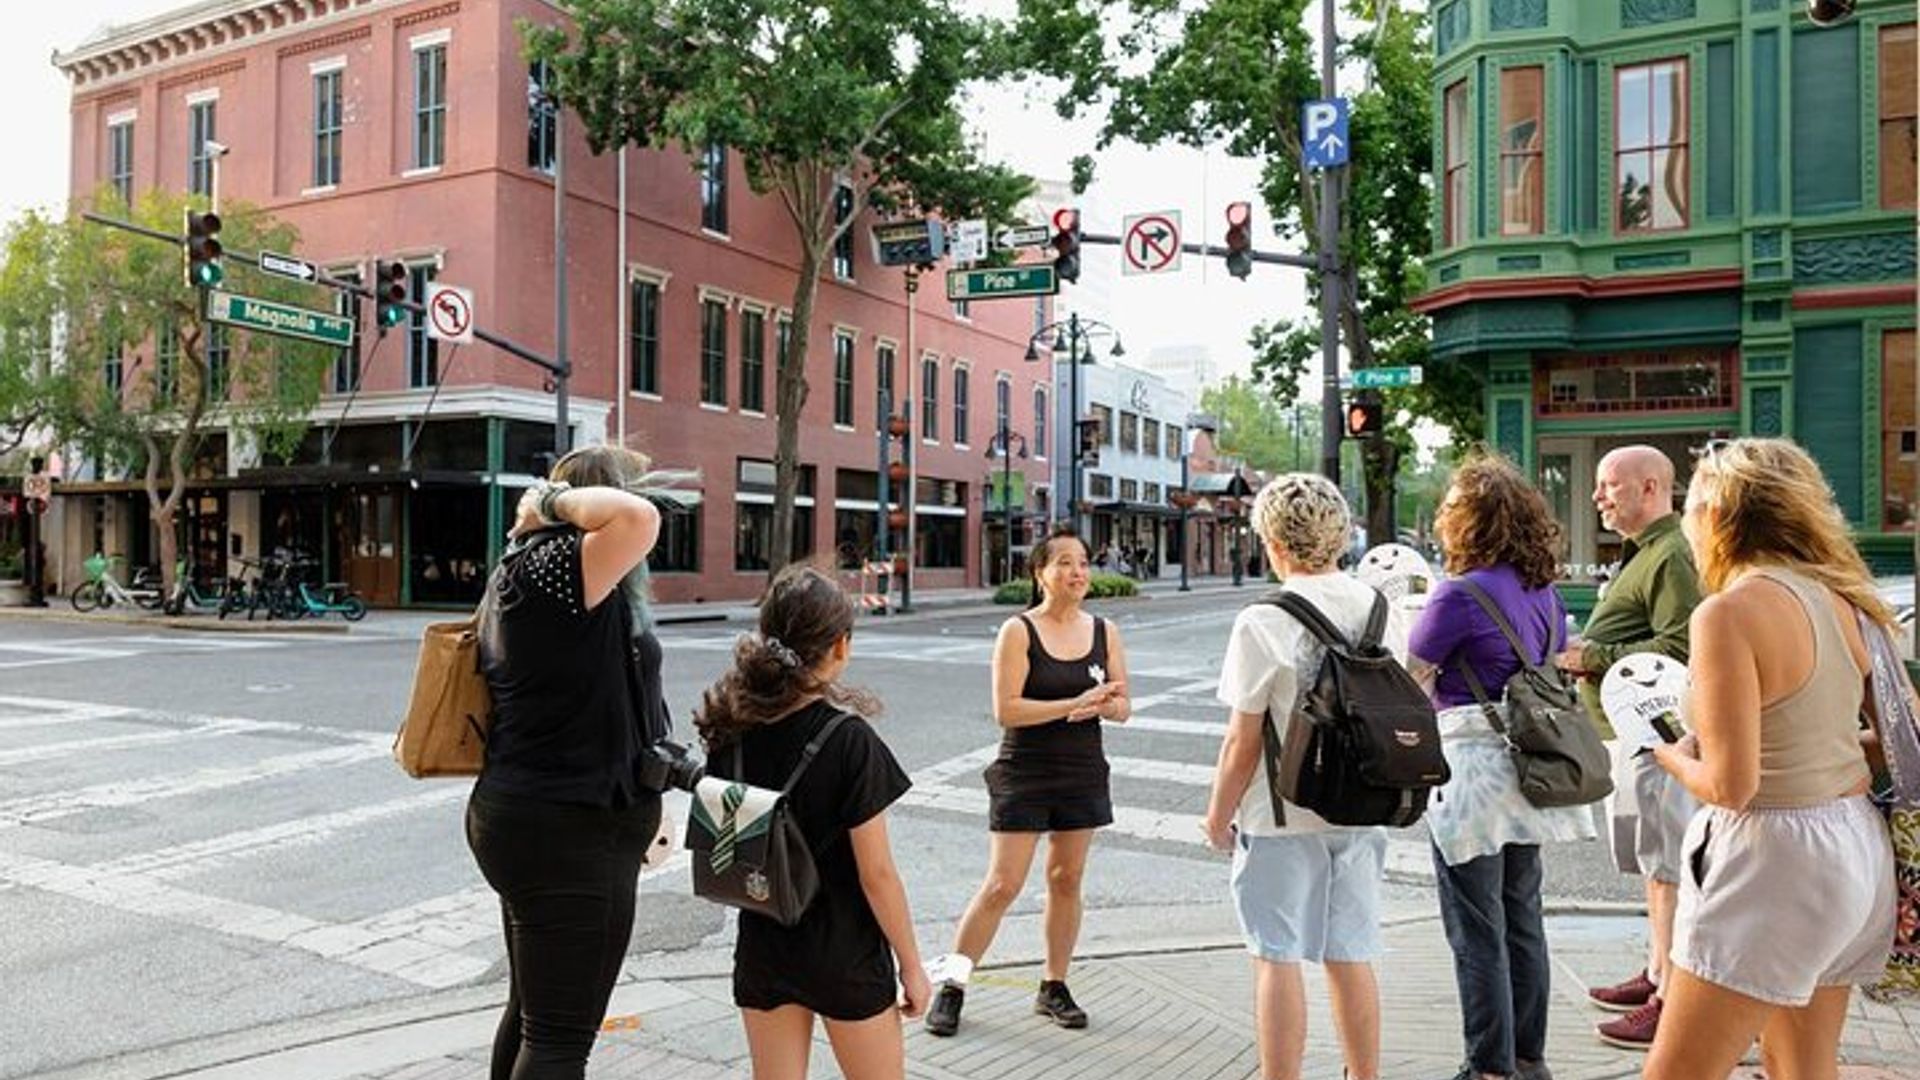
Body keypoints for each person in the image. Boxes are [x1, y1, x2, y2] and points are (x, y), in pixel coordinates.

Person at [1643, 438, 1898, 1080]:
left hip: (1771, 859)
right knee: (1803, 1067)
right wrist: (1823, 748)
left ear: (1715, 515)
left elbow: (1730, 784)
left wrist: (1671, 755)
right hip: (1853, 850)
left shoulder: (1729, 613)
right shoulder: (1851, 601)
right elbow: (1905, 736)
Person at [467, 445, 666, 1080]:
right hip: (572, 830)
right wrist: (546, 502)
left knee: (533, 1015)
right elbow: (637, 520)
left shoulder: (527, 571)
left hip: (530, 817)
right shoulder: (558, 567)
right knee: (558, 1041)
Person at [1201, 474, 1407, 1080]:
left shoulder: (1262, 620)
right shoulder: (1378, 607)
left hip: (1281, 812)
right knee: (1351, 952)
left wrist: (1218, 817)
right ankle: (1363, 1075)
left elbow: (1243, 740)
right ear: (1340, 534)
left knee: (1277, 955)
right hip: (1365, 801)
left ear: (1273, 538)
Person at [695, 564, 928, 1080]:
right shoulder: (848, 740)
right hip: (844, 953)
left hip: (764, 945)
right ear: (840, 647)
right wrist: (912, 965)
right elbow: (878, 874)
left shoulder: (729, 729)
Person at [1407, 455, 1596, 1080]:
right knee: (1522, 920)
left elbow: (1412, 681)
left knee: (1476, 930)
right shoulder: (1544, 593)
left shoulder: (1458, 595)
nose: (1443, 519)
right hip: (1529, 770)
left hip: (1471, 774)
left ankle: (1487, 1068)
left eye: (1451, 508)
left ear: (1470, 520)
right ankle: (1528, 1058)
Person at [926, 526, 1131, 1037]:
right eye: (1063, 562)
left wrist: (1109, 704)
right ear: (1039, 573)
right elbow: (1007, 710)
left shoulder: (1105, 631)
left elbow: (1124, 705)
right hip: (1025, 770)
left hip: (1083, 770)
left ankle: (1053, 986)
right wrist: (1077, 704)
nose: (1077, 571)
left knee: (1066, 880)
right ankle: (952, 984)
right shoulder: (1018, 631)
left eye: (1082, 562)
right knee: (1002, 884)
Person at [1551, 445, 1702, 1050]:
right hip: (1636, 736)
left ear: (1650, 488)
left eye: (1610, 485)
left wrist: (1595, 657)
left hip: (1660, 734)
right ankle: (1657, 971)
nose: (1598, 496)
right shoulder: (1646, 554)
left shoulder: (1671, 554)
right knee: (1651, 866)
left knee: (1667, 870)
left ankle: (1670, 999)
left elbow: (1687, 646)